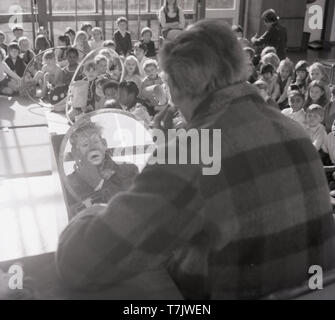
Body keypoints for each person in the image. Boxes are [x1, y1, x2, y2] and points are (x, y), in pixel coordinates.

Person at [56, 19, 335, 300]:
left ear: (175, 88)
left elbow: (79, 262)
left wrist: (97, 208)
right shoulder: (295, 132)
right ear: (238, 67)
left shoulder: (190, 152)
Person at [66, 119, 138, 203]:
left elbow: (130, 204)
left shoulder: (128, 170)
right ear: (77, 152)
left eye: (95, 141)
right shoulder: (70, 183)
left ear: (104, 143)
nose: (92, 147)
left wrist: (99, 183)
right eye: (85, 144)